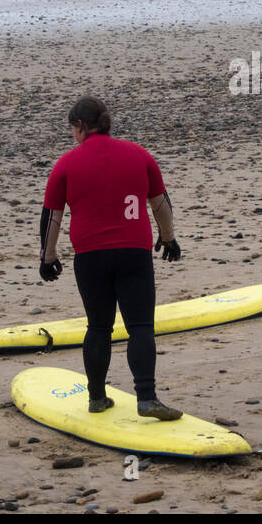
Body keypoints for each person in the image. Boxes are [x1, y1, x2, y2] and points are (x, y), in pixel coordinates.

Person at [38, 96, 183, 419]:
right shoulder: (138, 155)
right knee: (141, 326)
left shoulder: (67, 163)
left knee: (99, 327)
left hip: (90, 258)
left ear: (80, 126)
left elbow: (52, 216)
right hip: (134, 253)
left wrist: (47, 257)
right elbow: (160, 202)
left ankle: (97, 398)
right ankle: (146, 398)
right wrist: (169, 239)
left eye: (72, 129)